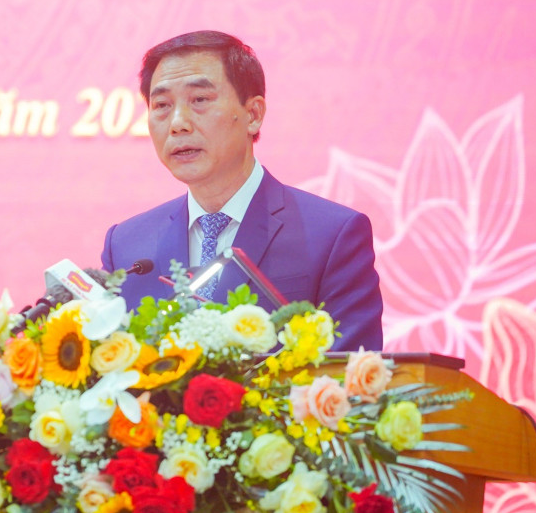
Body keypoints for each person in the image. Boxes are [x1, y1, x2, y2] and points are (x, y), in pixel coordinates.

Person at [100, 30, 383, 351]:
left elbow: (351, 370)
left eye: (200, 100)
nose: (178, 123)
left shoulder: (332, 236)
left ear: (253, 115)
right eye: (162, 105)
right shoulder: (126, 246)